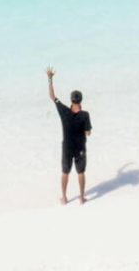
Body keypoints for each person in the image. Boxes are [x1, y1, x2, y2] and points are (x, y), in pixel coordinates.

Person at [46, 66, 92, 204]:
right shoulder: (85, 115)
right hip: (80, 148)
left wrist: (50, 79)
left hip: (67, 148)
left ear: (71, 100)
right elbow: (88, 133)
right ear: (81, 100)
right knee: (81, 172)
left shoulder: (64, 111)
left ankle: (64, 198)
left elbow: (52, 97)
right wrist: (84, 130)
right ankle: (82, 197)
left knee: (65, 172)